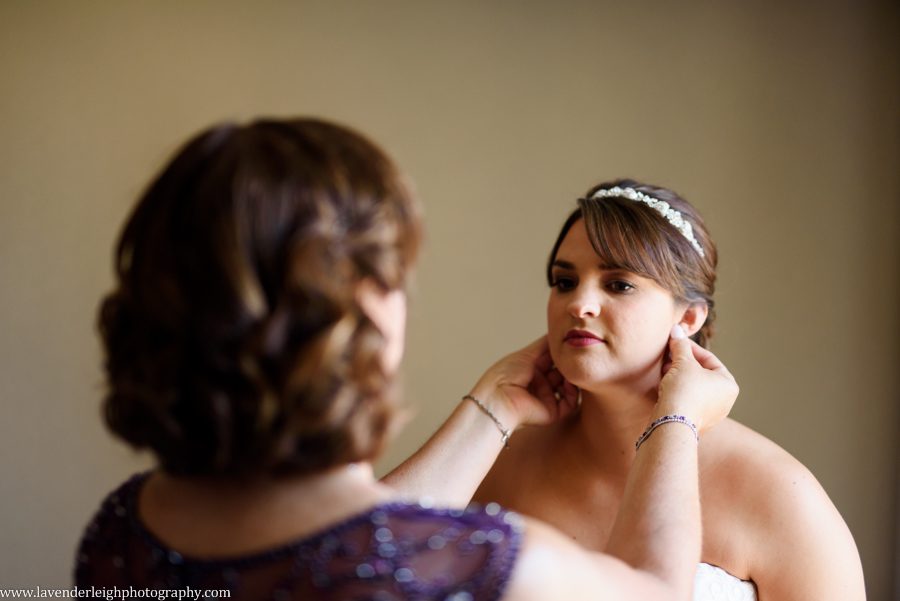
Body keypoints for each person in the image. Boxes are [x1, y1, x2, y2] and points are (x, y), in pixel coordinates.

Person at [75, 120, 738, 601]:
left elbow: (343, 539)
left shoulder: (121, 532)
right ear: (359, 308)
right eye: (395, 276)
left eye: (617, 282)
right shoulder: (472, 557)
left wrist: (496, 406)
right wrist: (675, 421)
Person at [426, 179, 862, 600]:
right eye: (565, 282)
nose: (579, 304)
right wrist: (491, 402)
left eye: (618, 284)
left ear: (689, 318)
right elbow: (374, 559)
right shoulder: (501, 466)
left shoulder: (780, 494)